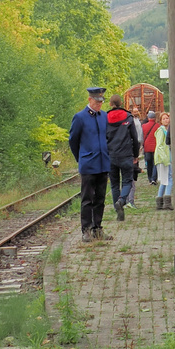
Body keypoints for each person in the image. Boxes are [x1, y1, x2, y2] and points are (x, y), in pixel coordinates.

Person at [68, 86, 111, 242]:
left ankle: (97, 229)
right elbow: (73, 141)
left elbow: (108, 138)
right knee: (87, 199)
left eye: (101, 101)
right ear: (89, 99)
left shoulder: (104, 116)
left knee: (100, 198)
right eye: (96, 101)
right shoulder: (80, 117)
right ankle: (86, 230)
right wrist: (81, 157)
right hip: (88, 164)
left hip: (102, 163)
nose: (99, 104)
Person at [106, 93, 140, 221]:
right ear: (121, 104)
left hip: (111, 155)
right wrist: (135, 155)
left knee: (114, 184)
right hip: (125, 154)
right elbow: (135, 138)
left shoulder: (105, 118)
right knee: (127, 181)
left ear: (110, 104)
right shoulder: (128, 117)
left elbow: (103, 138)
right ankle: (121, 201)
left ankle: (118, 213)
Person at [153, 111, 173, 211]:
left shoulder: (167, 129)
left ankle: (159, 202)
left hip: (166, 156)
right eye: (164, 119)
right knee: (170, 178)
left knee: (165, 179)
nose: (166, 120)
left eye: (167, 118)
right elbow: (160, 145)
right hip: (163, 158)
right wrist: (165, 158)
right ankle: (167, 200)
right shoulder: (161, 130)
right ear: (160, 121)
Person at [126, 105, 144, 207]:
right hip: (133, 147)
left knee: (131, 174)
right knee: (131, 174)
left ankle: (128, 199)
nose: (136, 112)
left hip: (134, 146)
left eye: (137, 111)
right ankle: (130, 200)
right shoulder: (131, 122)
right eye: (134, 111)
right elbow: (136, 135)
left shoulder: (137, 120)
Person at [141, 109, 159, 184]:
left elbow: (142, 137)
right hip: (155, 146)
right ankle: (154, 178)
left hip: (147, 147)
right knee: (155, 163)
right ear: (155, 118)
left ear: (148, 118)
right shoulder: (158, 126)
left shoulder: (144, 126)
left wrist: (142, 145)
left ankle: (149, 177)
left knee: (149, 163)